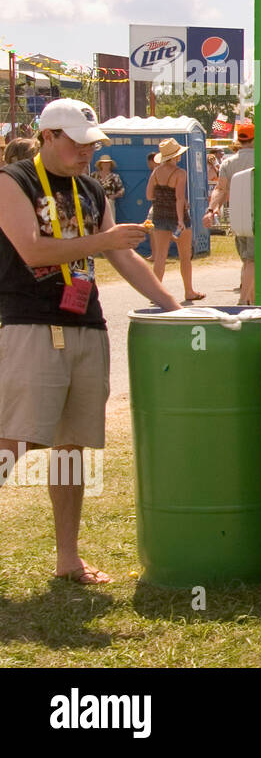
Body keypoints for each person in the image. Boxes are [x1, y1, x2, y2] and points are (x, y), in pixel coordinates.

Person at [0, 99, 180, 584]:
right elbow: (34, 249)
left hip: (86, 325)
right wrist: (104, 242)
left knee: (73, 449)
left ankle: (68, 559)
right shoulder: (12, 181)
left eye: (91, 144)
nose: (86, 152)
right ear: (48, 137)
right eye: (77, 143)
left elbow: (125, 260)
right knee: (11, 443)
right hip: (30, 324)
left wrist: (175, 308)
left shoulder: (92, 189)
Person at [203, 121, 258, 304]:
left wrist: (211, 210)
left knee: (247, 260)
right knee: (252, 261)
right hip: (257, 215)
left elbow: (220, 189)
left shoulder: (228, 162)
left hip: (237, 216)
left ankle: (251, 301)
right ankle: (244, 301)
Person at [145, 137, 204, 302]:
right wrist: (180, 220)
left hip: (159, 216)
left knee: (160, 257)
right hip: (177, 217)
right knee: (185, 256)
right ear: (175, 156)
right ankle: (189, 291)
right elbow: (179, 198)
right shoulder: (180, 173)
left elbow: (149, 195)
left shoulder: (156, 172)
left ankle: (156, 294)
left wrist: (162, 197)